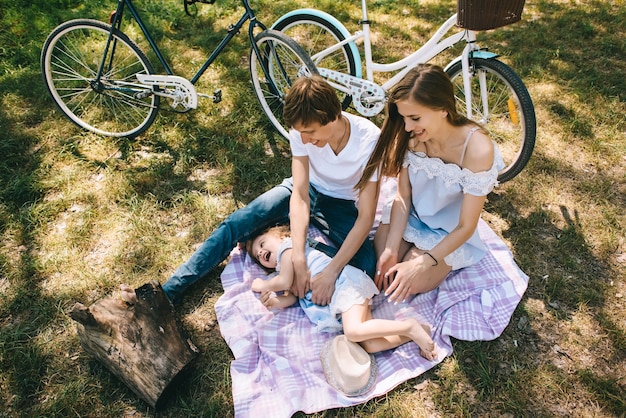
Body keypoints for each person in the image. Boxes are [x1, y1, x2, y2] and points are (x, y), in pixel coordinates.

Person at [162, 76, 380, 305]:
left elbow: (366, 218)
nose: (304, 139)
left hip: (340, 203)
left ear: (334, 117)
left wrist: (331, 271)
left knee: (366, 264)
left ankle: (288, 242)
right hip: (300, 192)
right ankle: (169, 292)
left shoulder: (369, 140)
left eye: (311, 132)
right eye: (300, 133)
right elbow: (300, 192)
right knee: (237, 223)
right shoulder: (301, 128)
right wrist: (297, 259)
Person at [356, 64, 504, 304]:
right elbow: (403, 196)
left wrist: (422, 263)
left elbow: (466, 226)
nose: (406, 128)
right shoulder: (412, 137)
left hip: (448, 231)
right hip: (411, 214)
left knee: (407, 281)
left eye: (414, 118)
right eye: (404, 118)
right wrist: (392, 248)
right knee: (378, 266)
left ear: (443, 108)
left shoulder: (476, 148)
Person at [247, 225, 437, 360]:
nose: (261, 251)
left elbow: (285, 281)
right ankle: (419, 331)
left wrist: (262, 285)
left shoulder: (288, 249)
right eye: (258, 255)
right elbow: (291, 296)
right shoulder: (281, 270)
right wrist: (275, 303)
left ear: (280, 236)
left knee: (353, 332)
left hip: (345, 285)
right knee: (370, 344)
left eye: (262, 243)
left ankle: (408, 326)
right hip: (342, 300)